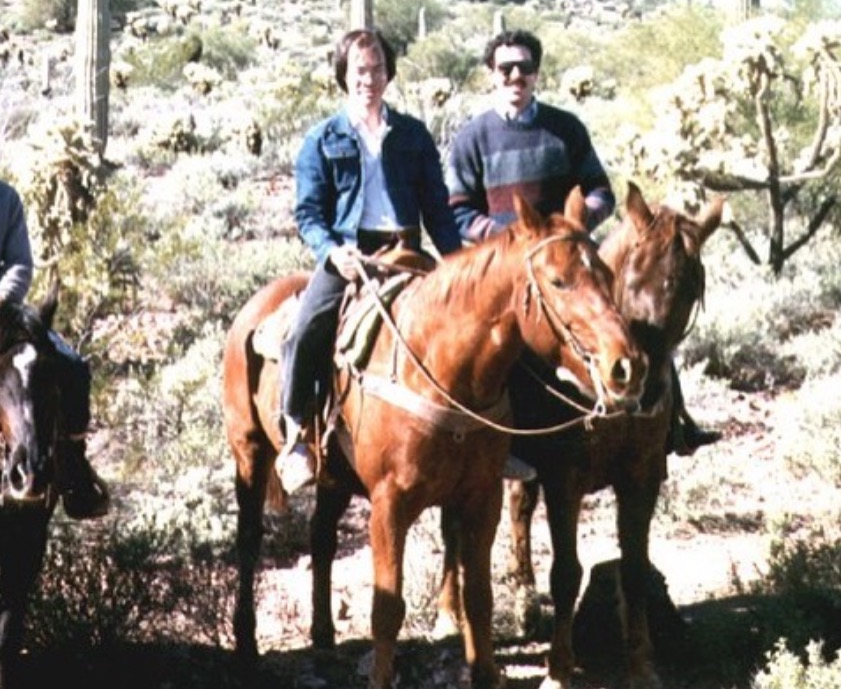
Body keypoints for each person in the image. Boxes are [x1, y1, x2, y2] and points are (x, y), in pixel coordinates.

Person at [445, 29, 720, 473]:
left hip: (571, 257)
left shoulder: (565, 128)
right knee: (497, 345)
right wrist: (509, 237)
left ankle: (673, 421)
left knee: (632, 320)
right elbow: (457, 212)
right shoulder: (472, 138)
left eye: (525, 67)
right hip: (510, 265)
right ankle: (497, 444)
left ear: (537, 72)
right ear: (491, 74)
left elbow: (599, 191)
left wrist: (575, 226)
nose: (516, 75)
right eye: (506, 68)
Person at [276, 28, 462, 494]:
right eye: (360, 69)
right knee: (305, 328)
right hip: (350, 254)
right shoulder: (322, 139)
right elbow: (308, 213)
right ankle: (298, 433)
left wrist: (458, 263)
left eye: (377, 68)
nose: (369, 78)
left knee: (470, 322)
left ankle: (491, 439)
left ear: (388, 73)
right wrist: (331, 252)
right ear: (344, 75)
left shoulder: (413, 136)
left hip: (406, 251)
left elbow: (437, 209)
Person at [0, 178, 110, 519]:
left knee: (72, 365)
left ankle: (75, 472)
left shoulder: (6, 199)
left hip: (5, 310)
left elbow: (20, 264)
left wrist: (3, 299)